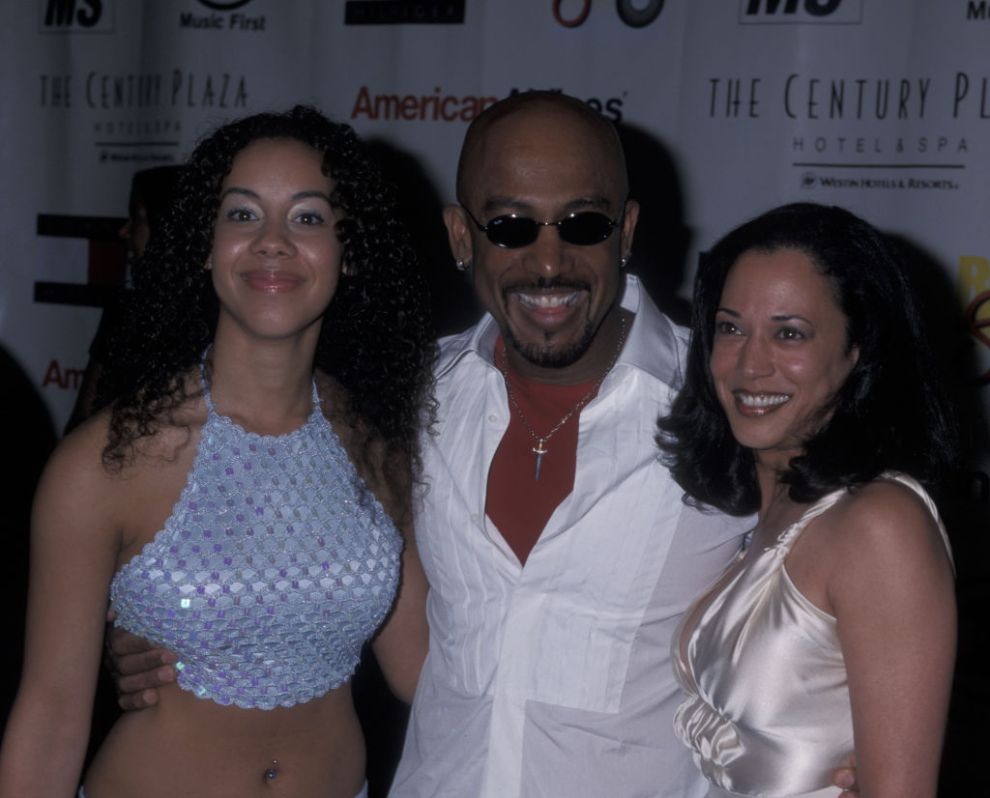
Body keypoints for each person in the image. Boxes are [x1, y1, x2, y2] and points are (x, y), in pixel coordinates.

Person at [107, 92, 861, 797]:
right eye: (510, 226)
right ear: (462, 236)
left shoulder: (729, 403)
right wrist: (171, 635)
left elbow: (858, 569)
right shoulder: (408, 404)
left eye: (583, 224)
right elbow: (350, 604)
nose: (548, 260)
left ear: (625, 232)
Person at [0, 105, 433, 798]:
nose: (272, 241)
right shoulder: (104, 464)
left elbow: (425, 670)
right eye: (242, 214)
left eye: (309, 217)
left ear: (349, 253)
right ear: (204, 244)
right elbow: (50, 716)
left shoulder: (379, 447)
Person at [658, 202, 958, 797]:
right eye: (730, 327)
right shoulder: (766, 515)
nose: (750, 363)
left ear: (856, 350)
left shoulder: (878, 525)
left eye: (789, 333)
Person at [65, 164, 188, 432]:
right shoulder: (126, 310)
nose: (124, 231)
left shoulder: (222, 317)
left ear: (165, 225)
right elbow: (81, 425)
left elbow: (81, 422)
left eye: (136, 217)